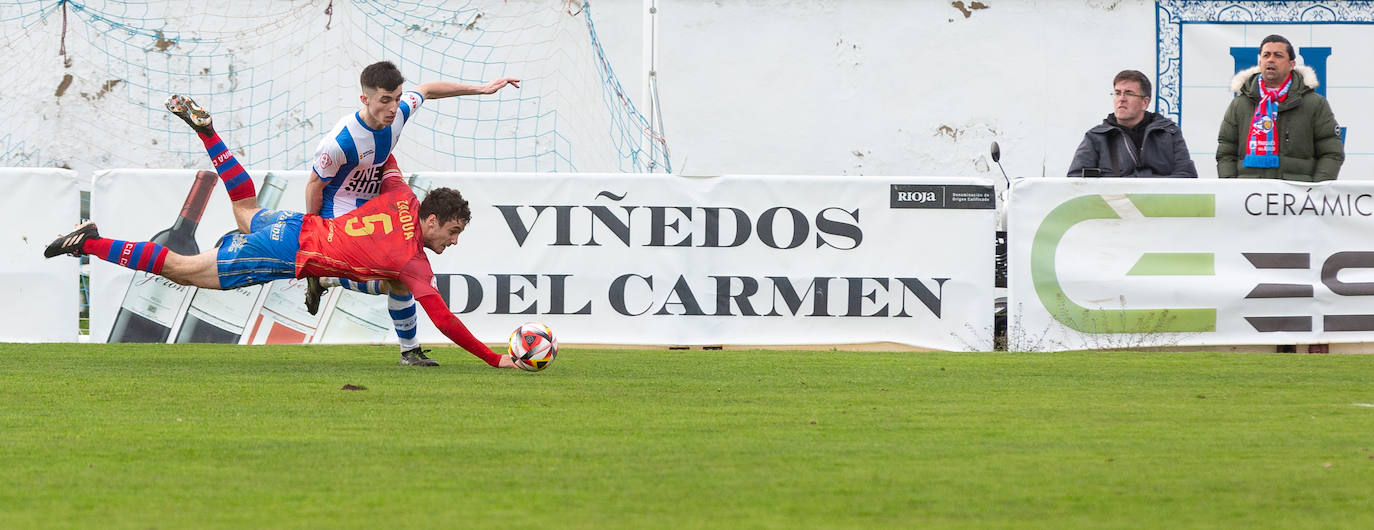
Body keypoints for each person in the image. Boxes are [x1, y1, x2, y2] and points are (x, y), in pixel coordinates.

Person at [45, 95, 517, 369]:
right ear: (432, 221)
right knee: (183, 269)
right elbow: (447, 321)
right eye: (452, 232)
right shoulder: (414, 264)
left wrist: (381, 126)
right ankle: (89, 241)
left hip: (297, 224)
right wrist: (497, 360)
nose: (453, 242)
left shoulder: (403, 197)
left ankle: (210, 134)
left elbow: (385, 158)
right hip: (283, 253)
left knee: (247, 207)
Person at [306, 61, 519, 365]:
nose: (394, 107)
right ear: (365, 99)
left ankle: (406, 349)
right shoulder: (340, 142)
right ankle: (325, 275)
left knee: (399, 278)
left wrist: (481, 89)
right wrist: (313, 231)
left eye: (397, 98)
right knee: (402, 277)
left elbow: (428, 90)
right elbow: (314, 184)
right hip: (340, 216)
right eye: (385, 100)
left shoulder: (397, 113)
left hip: (373, 207)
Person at [1217, 34, 1344, 182]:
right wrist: (1232, 187)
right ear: (1260, 62)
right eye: (1266, 55)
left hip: (1297, 197)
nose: (1271, 59)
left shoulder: (1315, 104)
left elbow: (1331, 152)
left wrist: (1315, 190)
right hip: (1249, 195)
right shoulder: (1240, 104)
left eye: (1278, 55)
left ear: (1291, 64)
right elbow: (1226, 152)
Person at [1067, 70, 1197, 178]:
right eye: (1117, 93)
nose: (1121, 99)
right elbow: (1076, 182)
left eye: (1128, 93)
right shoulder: (1095, 137)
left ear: (1145, 102)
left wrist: (1142, 189)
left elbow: (1187, 176)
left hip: (1161, 208)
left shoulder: (1168, 133)